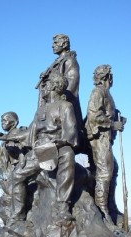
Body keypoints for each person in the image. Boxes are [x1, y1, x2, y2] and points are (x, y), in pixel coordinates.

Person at [9, 73, 78, 224]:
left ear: (54, 86)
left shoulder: (65, 106)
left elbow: (71, 132)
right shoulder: (40, 110)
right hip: (39, 149)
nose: (43, 88)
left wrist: (58, 142)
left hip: (57, 146)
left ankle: (62, 207)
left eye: (46, 85)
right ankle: (17, 216)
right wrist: (8, 138)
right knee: (17, 175)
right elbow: (31, 133)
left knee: (68, 154)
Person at [85, 64, 126, 225]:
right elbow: (93, 115)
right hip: (98, 137)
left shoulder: (106, 93)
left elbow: (106, 112)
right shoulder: (98, 92)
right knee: (105, 172)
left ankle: (110, 206)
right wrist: (112, 124)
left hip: (105, 137)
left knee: (112, 168)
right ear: (107, 77)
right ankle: (103, 213)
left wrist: (117, 119)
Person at [36, 34, 83, 142]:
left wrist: (58, 104)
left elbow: (72, 85)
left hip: (61, 109)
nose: (53, 46)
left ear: (65, 44)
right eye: (53, 43)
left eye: (56, 43)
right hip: (50, 107)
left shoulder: (69, 61)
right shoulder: (55, 63)